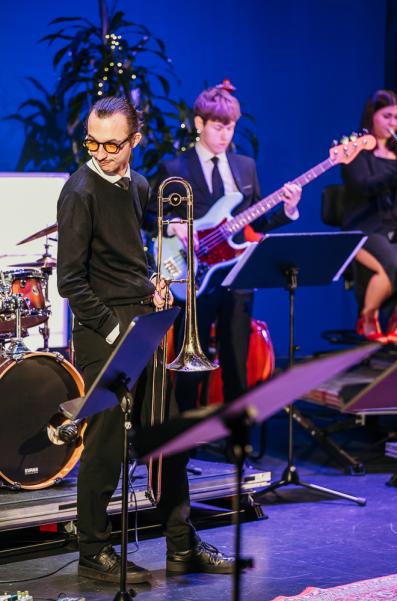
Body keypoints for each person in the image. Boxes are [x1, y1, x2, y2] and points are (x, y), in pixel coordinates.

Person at [57, 96, 235, 584]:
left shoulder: (137, 185)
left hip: (143, 325)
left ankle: (182, 544)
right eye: (92, 143)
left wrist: (152, 282)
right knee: (107, 442)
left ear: (135, 140)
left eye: (112, 144)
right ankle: (93, 551)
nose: (101, 152)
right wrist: (114, 328)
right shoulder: (79, 192)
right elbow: (70, 281)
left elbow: (127, 260)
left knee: (168, 436)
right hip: (104, 332)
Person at [152, 84, 302, 412]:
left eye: (230, 127)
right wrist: (173, 224)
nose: (225, 135)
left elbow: (256, 223)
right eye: (218, 127)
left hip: (236, 275)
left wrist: (288, 209)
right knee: (190, 370)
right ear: (199, 123)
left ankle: (237, 438)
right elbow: (149, 215)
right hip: (195, 276)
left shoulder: (245, 166)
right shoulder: (175, 169)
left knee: (237, 364)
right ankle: (183, 437)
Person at [341, 89, 397, 343]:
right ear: (372, 116)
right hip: (363, 230)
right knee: (394, 265)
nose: (392, 123)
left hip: (393, 228)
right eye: (387, 116)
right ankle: (367, 316)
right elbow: (364, 186)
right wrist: (396, 169)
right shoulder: (357, 152)